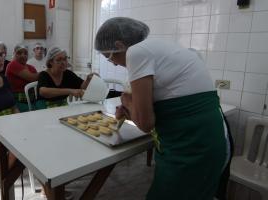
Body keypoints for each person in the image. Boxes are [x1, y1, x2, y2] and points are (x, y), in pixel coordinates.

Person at [95, 17, 231, 200]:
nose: (113, 63)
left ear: (119, 44)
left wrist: (126, 101)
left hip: (195, 146)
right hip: (207, 137)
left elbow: (145, 124)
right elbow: (158, 104)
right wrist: (130, 107)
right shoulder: (163, 47)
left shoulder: (136, 53)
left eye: (110, 56)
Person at [5, 44, 38, 112]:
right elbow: (32, 78)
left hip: (33, 101)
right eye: (19, 53)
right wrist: (49, 71)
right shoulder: (12, 65)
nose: (23, 55)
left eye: (25, 53)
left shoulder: (31, 67)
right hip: (17, 103)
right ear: (14, 54)